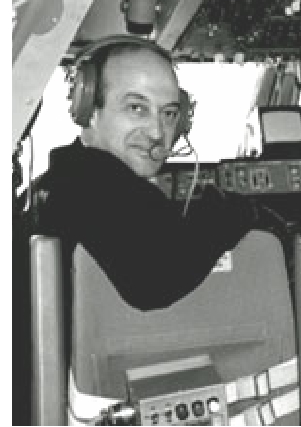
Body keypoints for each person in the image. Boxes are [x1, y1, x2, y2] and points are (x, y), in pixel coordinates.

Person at [25, 37, 261, 311]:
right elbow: (155, 281)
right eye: (137, 109)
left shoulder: (61, 180)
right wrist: (234, 211)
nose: (157, 133)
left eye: (169, 114)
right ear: (87, 110)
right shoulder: (95, 188)